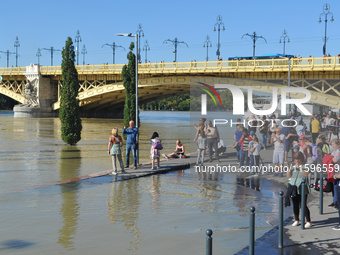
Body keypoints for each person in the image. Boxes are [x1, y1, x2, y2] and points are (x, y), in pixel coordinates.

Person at [287, 152, 312, 228]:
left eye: (298, 159)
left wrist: (300, 168)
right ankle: (296, 220)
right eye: (295, 159)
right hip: (293, 187)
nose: (296, 161)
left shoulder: (306, 166)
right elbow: (288, 176)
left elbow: (306, 175)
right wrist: (288, 169)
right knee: (295, 204)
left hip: (302, 187)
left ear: (302, 159)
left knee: (303, 204)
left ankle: (308, 221)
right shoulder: (293, 166)